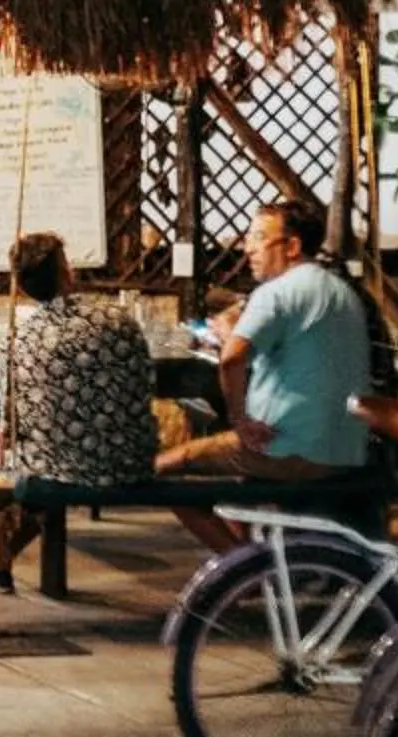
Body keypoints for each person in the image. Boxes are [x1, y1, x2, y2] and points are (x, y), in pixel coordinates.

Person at [154, 198, 375, 551]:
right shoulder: (340, 291)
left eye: (259, 237)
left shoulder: (276, 292)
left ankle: (242, 567)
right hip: (345, 447)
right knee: (231, 465)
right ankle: (250, 561)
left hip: (289, 448)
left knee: (163, 467)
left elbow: (231, 360)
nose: (248, 248)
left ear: (292, 246)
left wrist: (240, 420)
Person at [0, 232, 157, 591]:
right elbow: (145, 384)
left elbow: (9, 424)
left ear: (23, 286)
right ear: (67, 272)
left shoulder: (18, 342)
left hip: (57, 469)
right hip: (129, 460)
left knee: (16, 476)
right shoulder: (119, 321)